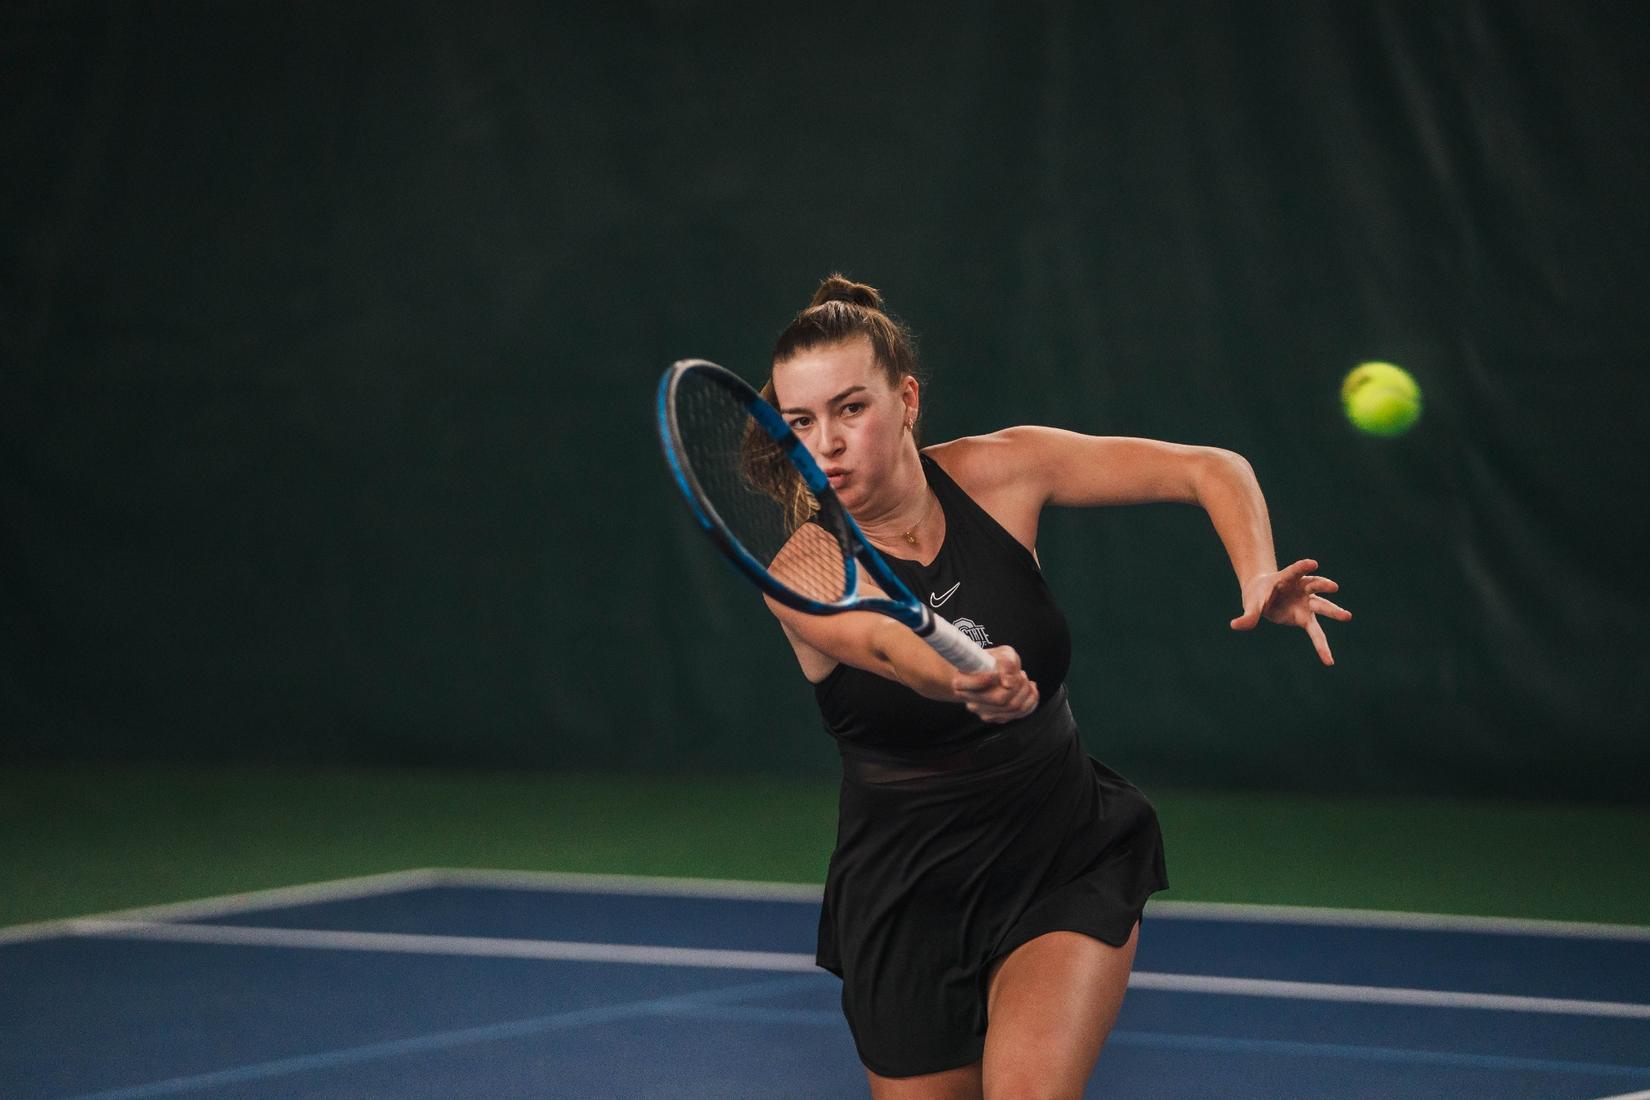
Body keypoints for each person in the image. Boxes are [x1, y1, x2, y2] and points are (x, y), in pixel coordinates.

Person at [759, 274, 1350, 1100]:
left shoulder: (1004, 472)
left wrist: (1256, 574)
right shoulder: (804, 569)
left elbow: (1212, 469)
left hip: (1059, 843)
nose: (826, 443)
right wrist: (963, 676)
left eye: (850, 409)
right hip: (907, 891)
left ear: (906, 399)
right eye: (801, 422)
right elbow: (888, 647)